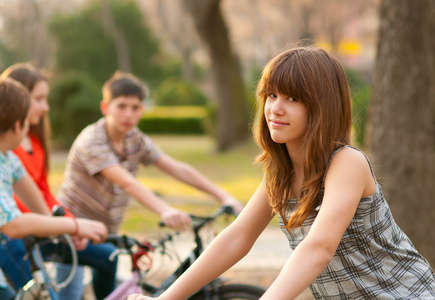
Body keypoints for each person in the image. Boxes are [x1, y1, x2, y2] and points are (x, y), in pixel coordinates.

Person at [127, 46, 435, 300]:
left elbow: (318, 248)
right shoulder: (280, 173)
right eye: (271, 95)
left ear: (322, 107)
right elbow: (236, 238)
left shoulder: (346, 163)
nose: (275, 108)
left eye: (293, 98)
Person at [56, 71, 243, 296]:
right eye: (121, 106)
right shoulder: (92, 141)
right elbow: (126, 182)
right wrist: (165, 210)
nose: (128, 114)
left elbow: (176, 168)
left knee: (110, 283)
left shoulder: (135, 139)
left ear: (141, 111)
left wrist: (223, 196)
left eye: (135, 107)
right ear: (105, 107)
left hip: (108, 233)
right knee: (71, 293)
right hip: (71, 229)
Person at [0, 63, 120, 300]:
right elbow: (12, 224)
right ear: (17, 125)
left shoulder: (8, 157)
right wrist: (74, 226)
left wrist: (59, 230)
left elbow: (32, 193)